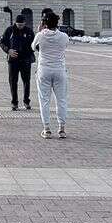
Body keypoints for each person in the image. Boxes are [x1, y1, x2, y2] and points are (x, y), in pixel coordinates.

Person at [32, 11, 70, 139]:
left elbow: (33, 47)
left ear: (44, 23)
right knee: (61, 100)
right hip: (59, 70)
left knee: (44, 100)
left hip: (44, 70)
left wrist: (39, 31)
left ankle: (47, 129)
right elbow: (64, 46)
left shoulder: (40, 35)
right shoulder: (64, 36)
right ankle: (62, 128)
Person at [0, 14, 36, 111]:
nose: (20, 26)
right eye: (18, 24)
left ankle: (26, 101)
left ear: (24, 23)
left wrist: (30, 52)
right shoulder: (9, 30)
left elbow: (34, 44)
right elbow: (2, 42)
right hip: (13, 60)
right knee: (13, 81)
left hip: (25, 59)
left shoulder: (29, 31)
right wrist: (8, 50)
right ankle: (14, 102)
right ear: (15, 23)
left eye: (21, 25)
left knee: (26, 81)